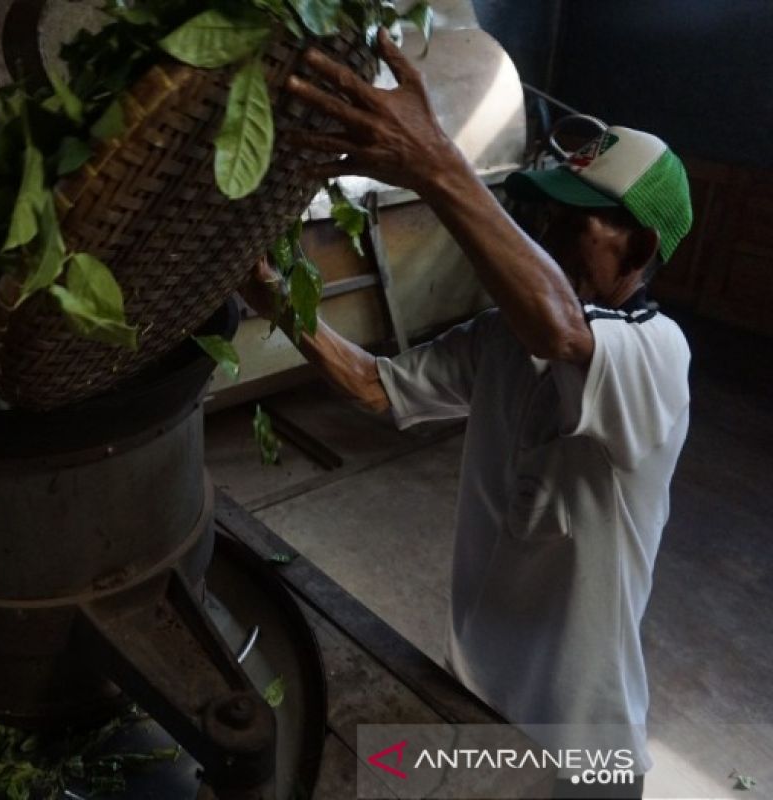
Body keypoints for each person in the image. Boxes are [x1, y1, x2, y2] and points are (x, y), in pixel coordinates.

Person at [241, 28, 694, 800]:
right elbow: (379, 389)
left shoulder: (656, 357)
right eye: (544, 216)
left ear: (641, 248)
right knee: (383, 771)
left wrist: (435, 164)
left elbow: (563, 328)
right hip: (474, 697)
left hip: (583, 752)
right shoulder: (505, 340)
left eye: (572, 224)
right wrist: (274, 302)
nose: (544, 234)